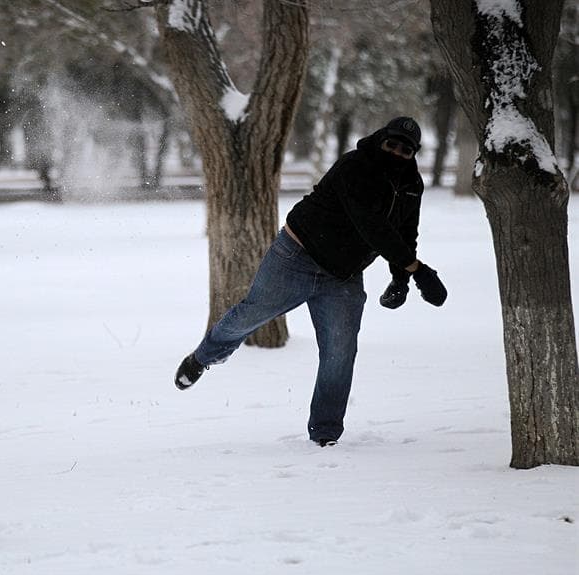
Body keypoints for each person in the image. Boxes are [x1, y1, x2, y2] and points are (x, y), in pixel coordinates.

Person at [174, 117, 447, 447]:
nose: (397, 153)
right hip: (296, 256)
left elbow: (405, 231)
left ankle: (325, 435)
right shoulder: (355, 166)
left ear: (413, 153)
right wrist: (417, 270)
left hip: (343, 276)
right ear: (380, 140)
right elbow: (371, 226)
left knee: (340, 352)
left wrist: (400, 278)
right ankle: (202, 357)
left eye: (406, 150)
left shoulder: (410, 184)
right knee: (250, 315)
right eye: (392, 145)